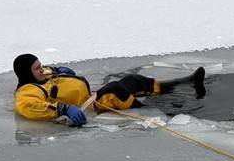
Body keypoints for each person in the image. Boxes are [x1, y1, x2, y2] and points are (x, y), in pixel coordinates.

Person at [12, 53, 206, 127]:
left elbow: (50, 73)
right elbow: (29, 107)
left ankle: (181, 83)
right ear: (26, 73)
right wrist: (62, 109)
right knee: (115, 91)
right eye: (37, 68)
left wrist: (59, 71)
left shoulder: (43, 75)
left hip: (91, 96)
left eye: (41, 65)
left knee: (133, 80)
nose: (43, 69)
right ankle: (156, 110)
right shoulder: (28, 90)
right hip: (90, 106)